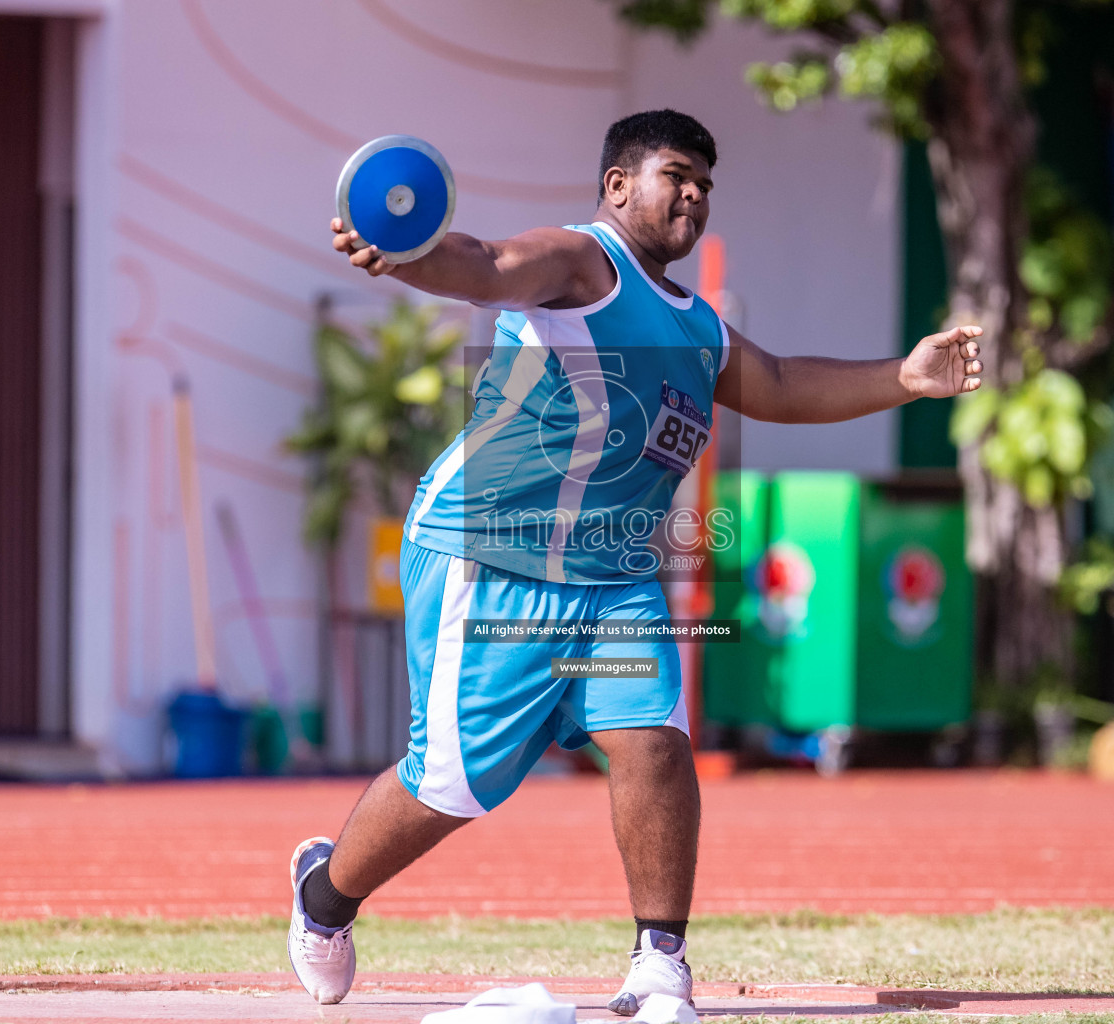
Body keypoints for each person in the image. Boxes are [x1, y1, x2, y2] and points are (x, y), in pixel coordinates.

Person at [288, 109, 983, 1009]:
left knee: (653, 743)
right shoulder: (585, 262)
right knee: (451, 786)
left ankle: (660, 959)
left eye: (704, 182)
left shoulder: (698, 328)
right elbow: (489, 267)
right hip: (493, 554)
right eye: (674, 175)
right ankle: (324, 895)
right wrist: (410, 252)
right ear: (619, 186)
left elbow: (777, 384)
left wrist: (905, 376)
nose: (692, 193)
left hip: (613, 581)